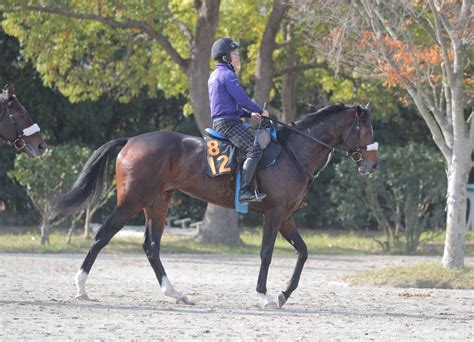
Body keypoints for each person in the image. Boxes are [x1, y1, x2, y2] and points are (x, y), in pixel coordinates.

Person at [208, 37, 269, 203]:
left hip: (224, 121)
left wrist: (249, 115)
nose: (238, 57)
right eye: (235, 54)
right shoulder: (228, 75)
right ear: (225, 58)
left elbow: (226, 106)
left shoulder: (215, 74)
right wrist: (261, 111)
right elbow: (243, 100)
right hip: (229, 125)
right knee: (255, 149)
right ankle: (244, 191)